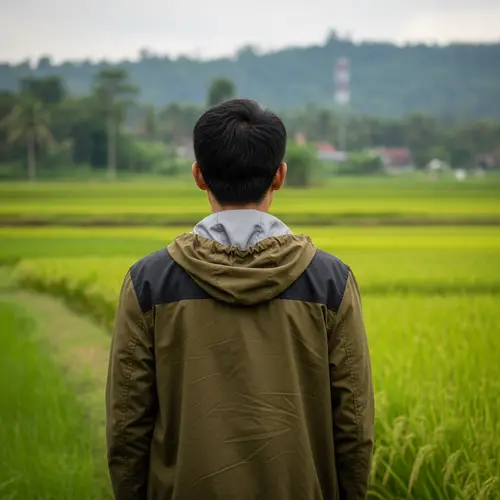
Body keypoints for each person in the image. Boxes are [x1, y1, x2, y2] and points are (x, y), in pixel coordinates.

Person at [106, 99, 374, 500]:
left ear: (199, 175)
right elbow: (354, 427)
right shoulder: (330, 282)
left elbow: (127, 428)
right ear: (280, 176)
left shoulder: (149, 283)